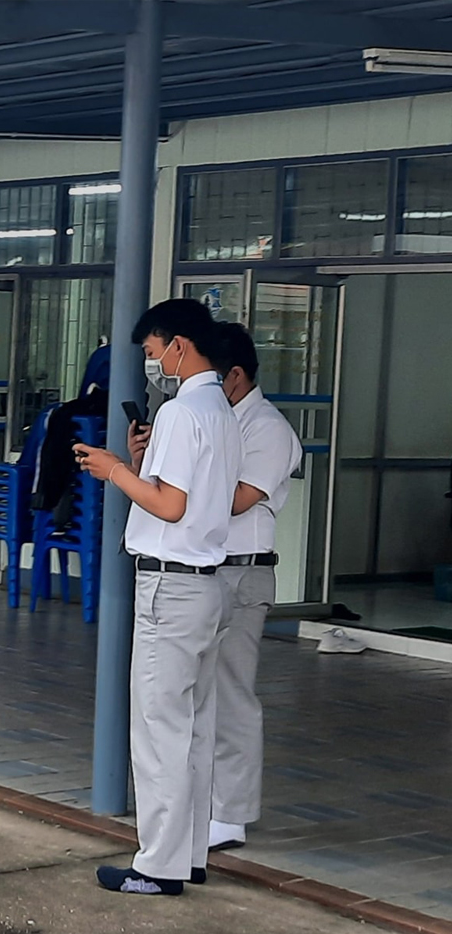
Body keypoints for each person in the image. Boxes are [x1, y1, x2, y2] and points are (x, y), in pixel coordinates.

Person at [74, 299, 242, 896]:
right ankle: (187, 852)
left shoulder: (180, 411)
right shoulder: (220, 408)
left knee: (159, 729)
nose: (152, 364)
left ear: (178, 344)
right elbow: (188, 496)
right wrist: (138, 464)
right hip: (208, 583)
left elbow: (169, 507)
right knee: (193, 726)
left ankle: (158, 865)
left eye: (152, 352)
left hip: (170, 587)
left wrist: (114, 469)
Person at [204, 321, 303, 852]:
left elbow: (238, 498)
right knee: (197, 691)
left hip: (242, 571)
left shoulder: (266, 428)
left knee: (231, 693)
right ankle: (206, 801)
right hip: (205, 568)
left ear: (235, 375)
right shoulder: (215, 421)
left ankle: (232, 814)